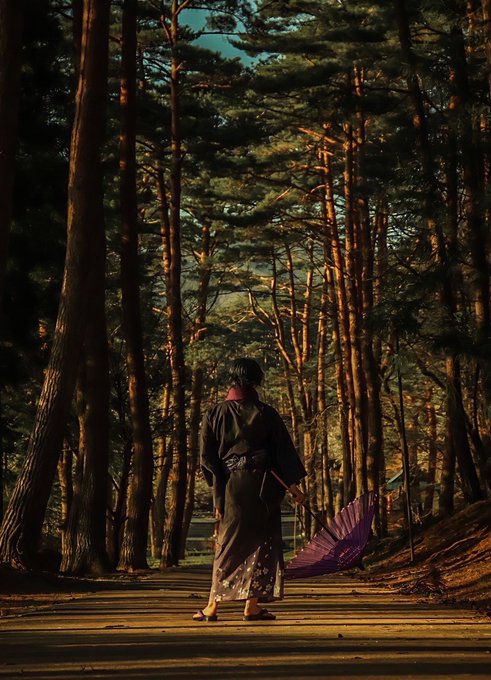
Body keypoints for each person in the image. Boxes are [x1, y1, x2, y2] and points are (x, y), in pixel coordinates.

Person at [193, 358, 306, 622]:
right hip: (264, 487)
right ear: (256, 381)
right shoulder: (266, 413)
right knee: (261, 543)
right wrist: (293, 486)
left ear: (232, 380)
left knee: (227, 543)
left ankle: (213, 606)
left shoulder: (214, 414)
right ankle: (250, 606)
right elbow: (282, 453)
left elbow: (207, 459)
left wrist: (218, 496)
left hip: (231, 487)